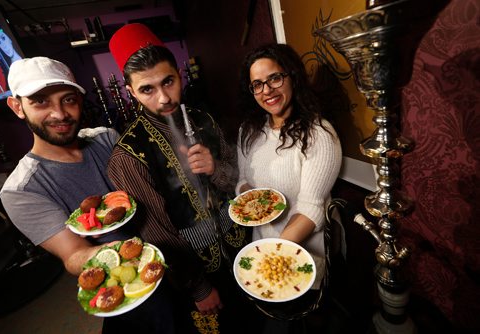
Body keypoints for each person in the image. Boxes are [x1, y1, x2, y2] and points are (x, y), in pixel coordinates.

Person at [0, 56, 176, 333]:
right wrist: (132, 254)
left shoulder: (105, 138)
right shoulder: (22, 189)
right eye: (41, 101)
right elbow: (74, 255)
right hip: (127, 283)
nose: (59, 113)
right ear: (17, 106)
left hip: (176, 251)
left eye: (68, 99)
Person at [107, 23, 260, 333]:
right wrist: (197, 287)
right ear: (130, 91)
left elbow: (241, 182)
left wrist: (216, 168)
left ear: (179, 73)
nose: (164, 97)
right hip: (195, 267)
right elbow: (155, 232)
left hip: (243, 242)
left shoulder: (203, 118)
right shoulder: (128, 155)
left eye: (169, 81)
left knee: (254, 321)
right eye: (147, 89)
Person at [236, 43, 343, 331]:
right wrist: (249, 199)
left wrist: (271, 257)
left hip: (299, 255)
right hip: (260, 248)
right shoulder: (248, 131)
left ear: (292, 76)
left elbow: (311, 207)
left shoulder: (319, 133)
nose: (266, 90)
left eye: (274, 78)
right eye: (257, 84)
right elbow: (243, 183)